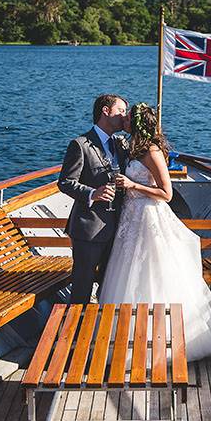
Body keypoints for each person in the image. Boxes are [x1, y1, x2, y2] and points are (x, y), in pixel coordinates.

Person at [99, 103, 211, 360]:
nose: (124, 120)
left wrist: (132, 186)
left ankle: (161, 341)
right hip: (131, 217)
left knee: (153, 274)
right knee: (127, 274)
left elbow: (166, 193)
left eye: (128, 118)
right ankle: (126, 337)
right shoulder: (133, 148)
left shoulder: (152, 151)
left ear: (137, 124)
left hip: (149, 216)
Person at [58, 94, 129, 304]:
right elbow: (65, 182)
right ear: (106, 111)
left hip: (116, 228)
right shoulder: (80, 145)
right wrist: (92, 193)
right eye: (121, 111)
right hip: (89, 229)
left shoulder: (120, 144)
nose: (124, 116)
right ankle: (76, 323)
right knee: (82, 285)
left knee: (109, 285)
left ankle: (99, 321)